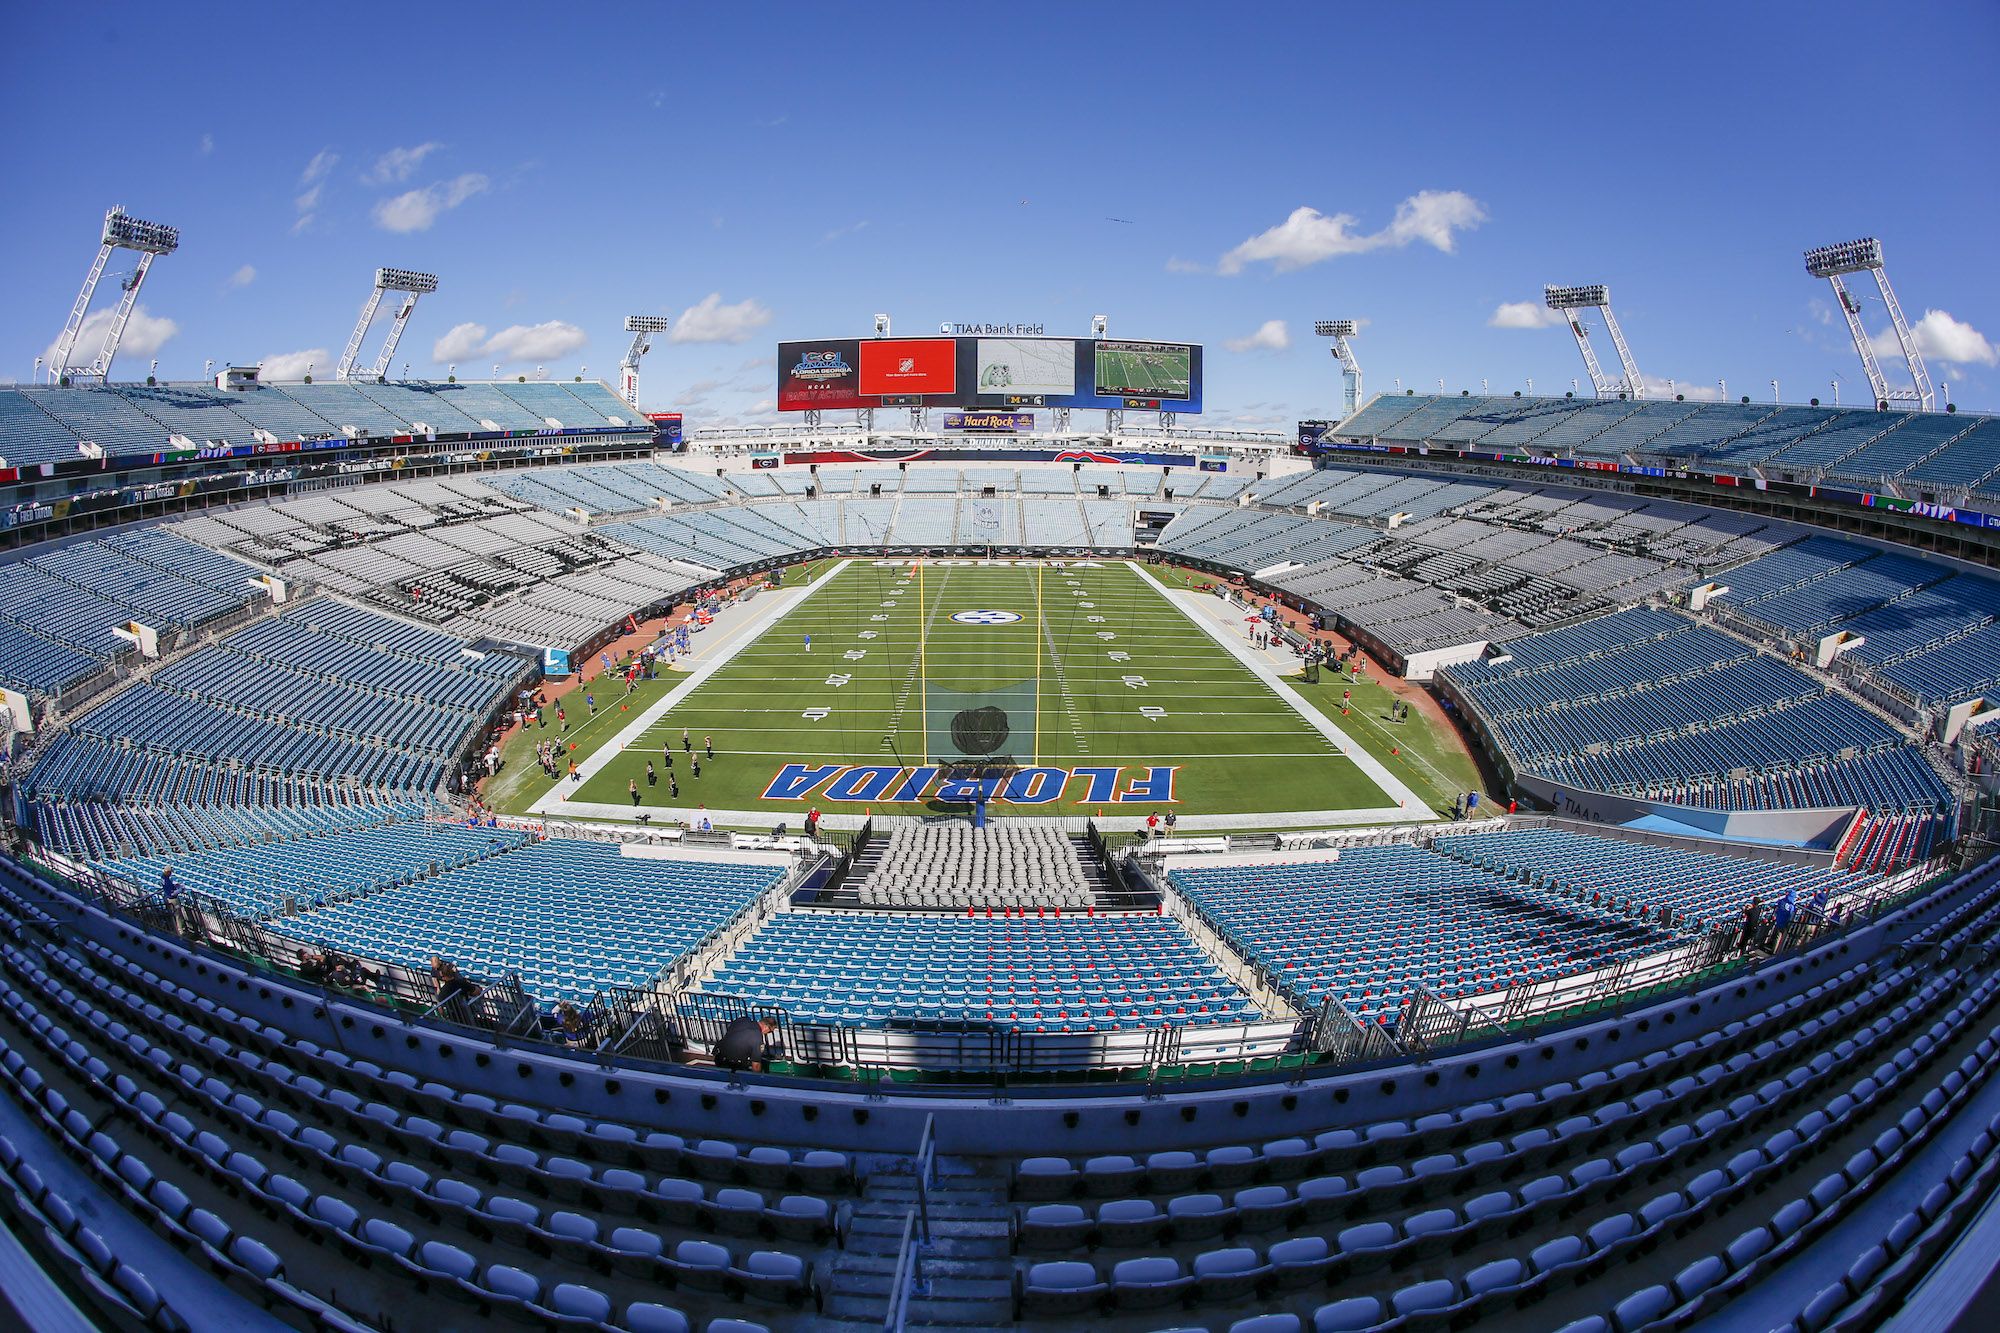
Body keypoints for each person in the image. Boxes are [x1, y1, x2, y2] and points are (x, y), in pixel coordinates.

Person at [712, 1015, 779, 1072]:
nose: (768, 1033)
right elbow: (756, 1066)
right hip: (732, 1064)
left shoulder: (742, 1020)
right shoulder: (757, 1039)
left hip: (718, 1055)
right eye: (770, 1031)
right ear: (766, 1027)